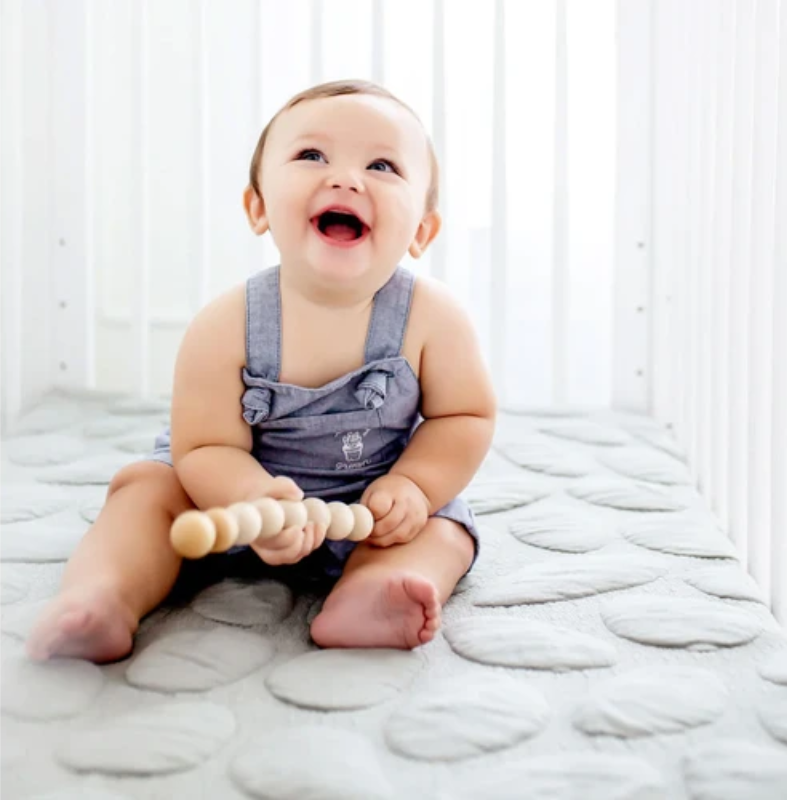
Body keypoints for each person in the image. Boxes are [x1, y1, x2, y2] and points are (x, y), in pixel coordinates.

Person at [27, 79, 496, 663]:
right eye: (312, 156)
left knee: (444, 529)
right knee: (146, 491)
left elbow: (464, 415)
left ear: (422, 231)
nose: (346, 178)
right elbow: (203, 448)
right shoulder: (225, 325)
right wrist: (255, 500)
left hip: (371, 507)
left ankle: (371, 594)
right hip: (229, 503)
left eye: (381, 164)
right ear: (258, 207)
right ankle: (102, 596)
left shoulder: (433, 319)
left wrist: (417, 486)